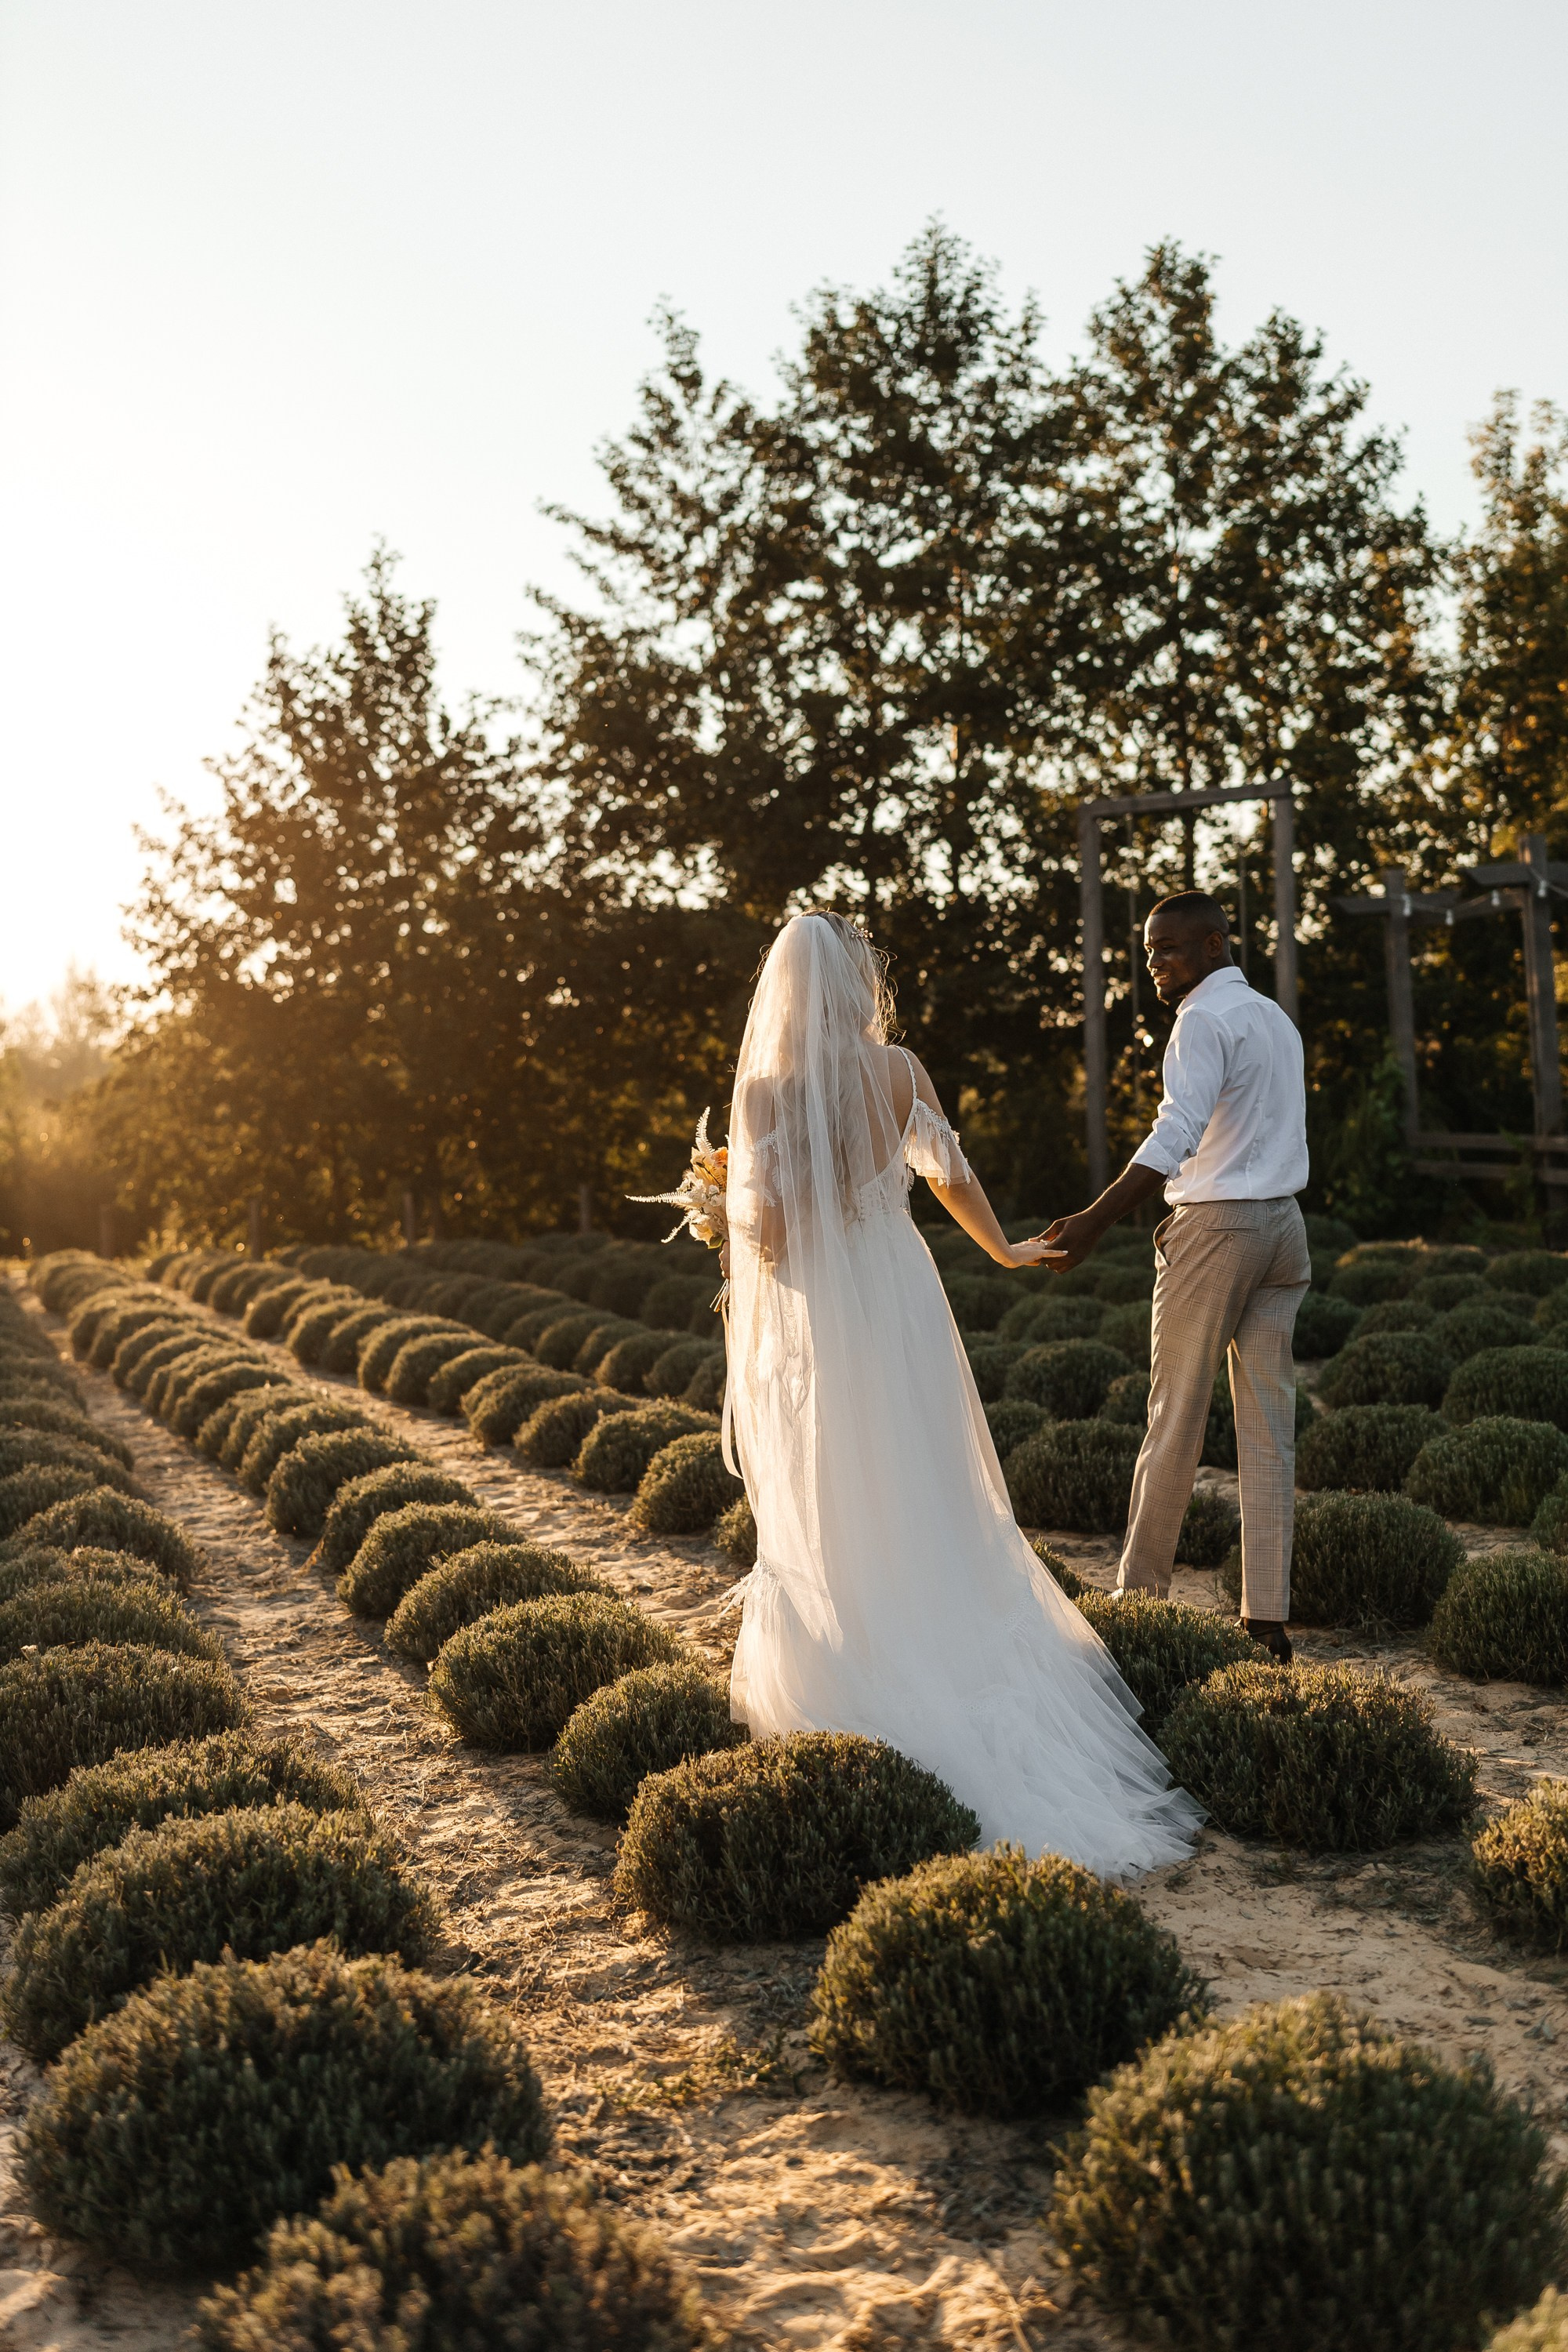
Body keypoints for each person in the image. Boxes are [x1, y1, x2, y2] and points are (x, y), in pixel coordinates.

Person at [720, 909, 1200, 1876]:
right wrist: (1003, 1250)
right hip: (898, 1300)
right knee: (926, 1477)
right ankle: (948, 1647)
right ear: (858, 986)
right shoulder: (897, 1071)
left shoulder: (767, 1092)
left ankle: (860, 1670)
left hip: (826, 1314)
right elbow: (950, 1173)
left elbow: (767, 1238)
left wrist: (717, 1214)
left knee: (835, 1483)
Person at [1040, 890, 1311, 1661]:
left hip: (1219, 1230)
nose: (1154, 963)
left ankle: (1136, 1602)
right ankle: (1266, 1621)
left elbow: (1174, 1134)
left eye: (1169, 949)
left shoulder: (1202, 1020)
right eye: (1148, 950)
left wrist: (1092, 1221)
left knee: (1174, 1418)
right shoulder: (1271, 1020)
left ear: (1214, 944)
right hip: (1282, 1231)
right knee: (1268, 1429)